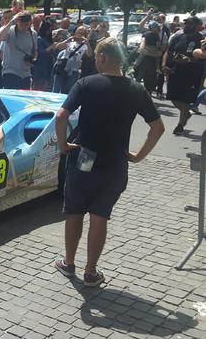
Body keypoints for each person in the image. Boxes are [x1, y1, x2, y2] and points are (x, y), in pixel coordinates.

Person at [55, 37, 164, 287]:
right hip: (115, 162)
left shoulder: (85, 83)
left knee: (74, 211)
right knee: (100, 216)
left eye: (96, 58)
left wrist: (63, 146)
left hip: (84, 157)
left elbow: (61, 116)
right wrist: (138, 155)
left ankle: (69, 262)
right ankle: (91, 271)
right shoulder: (136, 89)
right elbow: (157, 128)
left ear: (103, 57)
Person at [163, 16, 205, 135]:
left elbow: (203, 58)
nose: (187, 26)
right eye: (186, 24)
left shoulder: (201, 40)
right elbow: (169, 51)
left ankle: (180, 125)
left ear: (197, 26)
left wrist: (190, 60)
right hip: (176, 72)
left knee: (185, 100)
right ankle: (186, 113)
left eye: (190, 24)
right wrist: (165, 65)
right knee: (173, 98)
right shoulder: (178, 36)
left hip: (192, 75)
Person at [0, 11, 38, 89]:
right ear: (18, 22)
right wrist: (11, 21)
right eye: (21, 24)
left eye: (27, 24)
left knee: (23, 98)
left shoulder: (33, 34)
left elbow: (35, 50)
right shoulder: (10, 31)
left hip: (25, 72)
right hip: (10, 71)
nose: (24, 27)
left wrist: (33, 59)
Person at [52, 27, 92, 94]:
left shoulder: (85, 45)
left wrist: (87, 43)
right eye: (77, 33)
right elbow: (58, 47)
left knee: (67, 90)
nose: (79, 35)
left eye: (81, 33)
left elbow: (90, 55)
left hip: (73, 70)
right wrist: (68, 40)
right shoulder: (70, 42)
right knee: (56, 88)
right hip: (62, 66)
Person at [134, 21, 164, 95]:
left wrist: (156, 51)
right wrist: (147, 50)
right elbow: (142, 47)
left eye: (157, 27)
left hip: (152, 58)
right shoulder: (147, 34)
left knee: (150, 80)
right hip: (144, 59)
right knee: (139, 76)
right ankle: (133, 66)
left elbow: (158, 46)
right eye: (155, 27)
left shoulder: (157, 35)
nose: (156, 28)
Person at [32, 21, 56, 91]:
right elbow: (40, 52)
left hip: (48, 65)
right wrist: (51, 47)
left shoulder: (48, 39)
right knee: (39, 85)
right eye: (48, 29)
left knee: (47, 85)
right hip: (40, 65)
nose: (49, 31)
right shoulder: (39, 39)